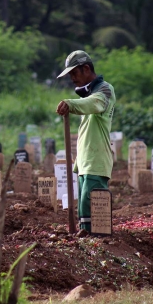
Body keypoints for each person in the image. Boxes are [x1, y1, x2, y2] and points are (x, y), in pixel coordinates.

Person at [56, 50, 116, 232]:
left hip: (96, 163)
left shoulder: (104, 90)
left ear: (87, 69)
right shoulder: (89, 94)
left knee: (93, 217)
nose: (72, 78)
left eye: (74, 73)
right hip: (86, 163)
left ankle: (97, 251)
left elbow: (95, 103)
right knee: (84, 213)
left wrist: (70, 104)